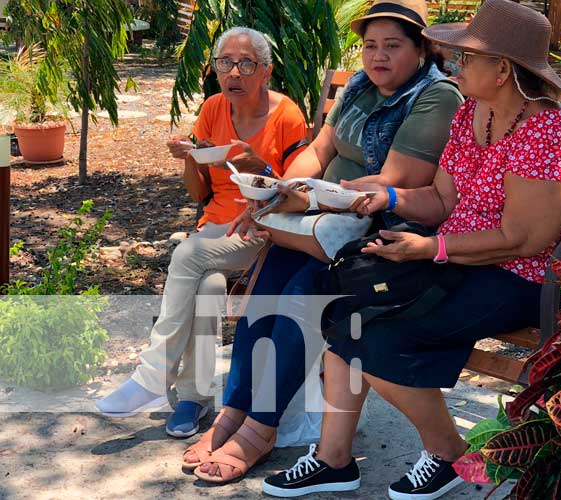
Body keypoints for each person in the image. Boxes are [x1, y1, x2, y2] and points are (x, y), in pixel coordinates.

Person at [262, 1, 561, 499]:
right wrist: (384, 197)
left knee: (383, 342)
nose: (456, 64)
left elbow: (525, 239)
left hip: (520, 277)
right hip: (455, 258)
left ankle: (451, 455)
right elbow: (441, 199)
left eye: (468, 57)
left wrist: (431, 249)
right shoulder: (470, 114)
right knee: (348, 312)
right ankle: (333, 460)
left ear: (503, 69)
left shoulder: (548, 131)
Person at [184, 0, 464, 485]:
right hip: (321, 221)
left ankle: (259, 430)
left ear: (420, 51)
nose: (377, 57)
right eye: (370, 45)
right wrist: (283, 193)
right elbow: (319, 149)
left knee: (300, 299)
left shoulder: (435, 96)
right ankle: (235, 411)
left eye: (392, 46)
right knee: (264, 291)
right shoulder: (359, 86)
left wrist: (306, 201)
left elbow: (399, 179)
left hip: (381, 235)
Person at [95, 27, 309, 439]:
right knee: (208, 285)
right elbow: (200, 192)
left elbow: (296, 191)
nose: (234, 72)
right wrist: (190, 159)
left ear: (265, 71)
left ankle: (153, 376)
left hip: (264, 229)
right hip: (215, 229)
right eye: (225, 62)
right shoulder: (213, 108)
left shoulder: (287, 115)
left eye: (246, 63)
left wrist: (256, 166)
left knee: (189, 255)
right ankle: (193, 398)